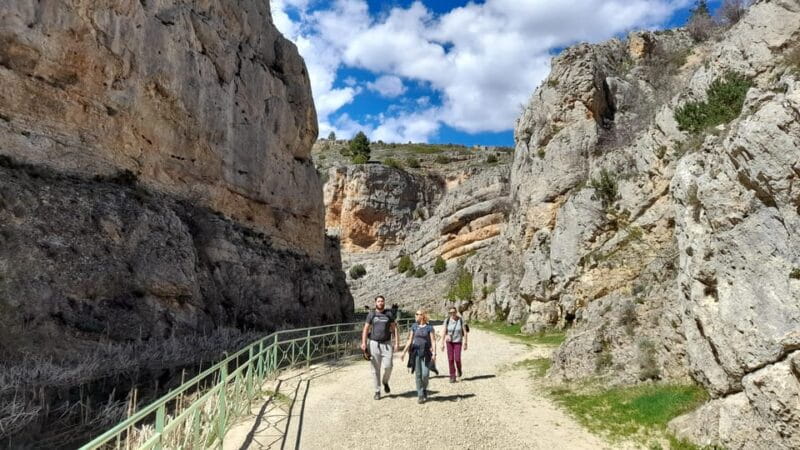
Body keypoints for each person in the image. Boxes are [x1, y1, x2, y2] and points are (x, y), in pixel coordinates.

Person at [361, 295, 399, 400]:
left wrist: (396, 343)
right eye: (378, 301)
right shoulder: (371, 314)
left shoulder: (389, 314)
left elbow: (394, 328)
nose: (380, 303)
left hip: (387, 344)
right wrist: (364, 343)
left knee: (389, 366)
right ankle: (377, 391)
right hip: (374, 344)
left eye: (382, 301)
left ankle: (385, 381)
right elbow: (366, 329)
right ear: (375, 303)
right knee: (375, 369)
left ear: (384, 302)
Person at [401, 309, 437, 403]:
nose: (416, 316)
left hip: (426, 353)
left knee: (425, 374)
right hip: (416, 352)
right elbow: (410, 340)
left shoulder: (429, 327)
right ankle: (420, 394)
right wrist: (404, 352)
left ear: (423, 316)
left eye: (418, 314)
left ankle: (424, 388)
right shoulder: (414, 326)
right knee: (418, 374)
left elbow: (433, 341)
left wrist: (434, 353)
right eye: (415, 314)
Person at [440, 306, 468, 383]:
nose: (452, 314)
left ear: (456, 312)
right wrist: (442, 343)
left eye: (454, 312)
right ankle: (452, 376)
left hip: (458, 341)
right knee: (450, 359)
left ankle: (459, 369)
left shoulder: (460, 320)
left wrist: (465, 343)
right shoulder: (447, 320)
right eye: (451, 312)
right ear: (449, 313)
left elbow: (465, 332)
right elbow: (444, 331)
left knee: (457, 359)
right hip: (449, 342)